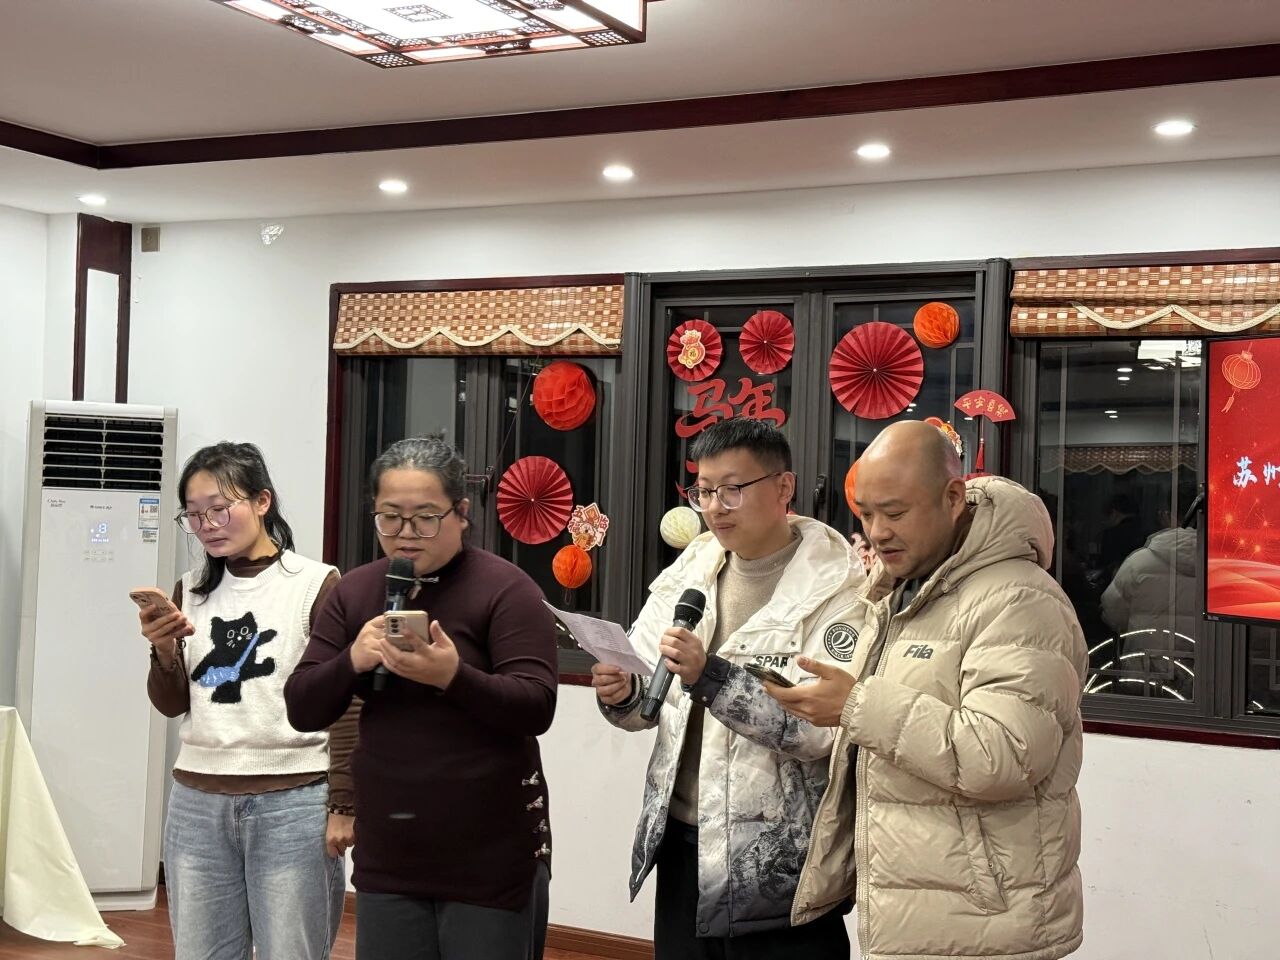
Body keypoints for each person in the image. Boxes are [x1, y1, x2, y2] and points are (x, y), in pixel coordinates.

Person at [767, 420, 1087, 960]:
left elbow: (1002, 756)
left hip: (989, 925)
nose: (877, 532)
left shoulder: (1019, 600)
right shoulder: (902, 591)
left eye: (895, 513)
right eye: (865, 515)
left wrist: (856, 705)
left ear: (954, 498)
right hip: (915, 909)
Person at [591, 418, 865, 959]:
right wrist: (621, 694)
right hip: (681, 839)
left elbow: (821, 730)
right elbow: (647, 700)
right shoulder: (691, 570)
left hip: (780, 861)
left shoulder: (839, 586)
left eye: (733, 489)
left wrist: (709, 677)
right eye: (704, 491)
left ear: (783, 488)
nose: (715, 507)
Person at [284, 437, 557, 960]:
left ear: (462, 513)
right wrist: (352, 661)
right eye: (390, 517)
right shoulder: (355, 592)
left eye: (426, 518)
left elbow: (536, 705)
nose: (406, 534)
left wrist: (452, 676)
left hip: (490, 853)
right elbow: (302, 706)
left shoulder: (507, 589)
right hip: (390, 853)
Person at [141, 442, 353, 960]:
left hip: (294, 800)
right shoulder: (190, 589)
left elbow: (347, 704)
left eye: (219, 508)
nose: (207, 525)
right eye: (193, 515)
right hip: (196, 801)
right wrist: (163, 651)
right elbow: (172, 704)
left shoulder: (316, 583)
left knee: (292, 952)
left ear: (262, 501)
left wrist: (345, 805)